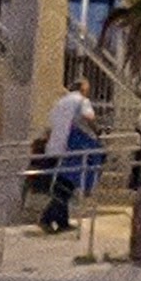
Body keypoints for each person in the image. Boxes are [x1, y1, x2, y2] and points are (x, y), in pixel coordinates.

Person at [36, 81, 103, 234]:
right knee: (67, 185)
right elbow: (89, 117)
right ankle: (46, 218)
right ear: (82, 89)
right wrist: (98, 131)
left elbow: (51, 124)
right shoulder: (81, 101)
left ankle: (62, 221)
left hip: (58, 146)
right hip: (75, 147)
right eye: (87, 89)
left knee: (63, 183)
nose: (88, 93)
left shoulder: (60, 102)